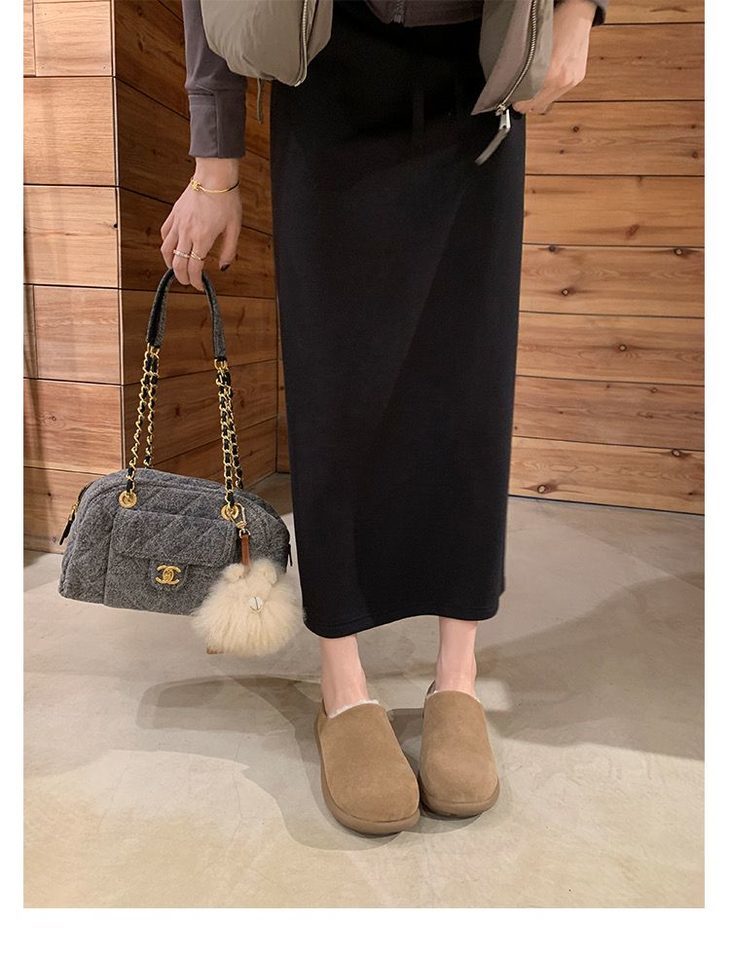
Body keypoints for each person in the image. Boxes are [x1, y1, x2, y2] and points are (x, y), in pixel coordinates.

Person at [164, 0, 608, 835]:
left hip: (480, 70)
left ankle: (458, 676)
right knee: (335, 383)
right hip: (325, 60)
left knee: (468, 378)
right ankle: (343, 684)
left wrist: (579, 10)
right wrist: (213, 163)